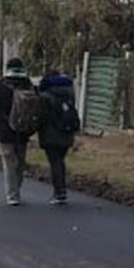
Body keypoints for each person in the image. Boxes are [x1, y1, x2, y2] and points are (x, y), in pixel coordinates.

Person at [0, 57, 38, 206]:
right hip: (23, 131)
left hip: (4, 131)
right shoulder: (28, 85)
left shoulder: (0, 86)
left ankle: (12, 195)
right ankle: (16, 189)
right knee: (20, 163)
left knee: (9, 163)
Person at [37, 69, 81, 206]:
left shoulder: (45, 96)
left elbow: (42, 116)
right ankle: (61, 190)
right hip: (67, 133)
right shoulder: (69, 93)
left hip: (50, 134)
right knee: (60, 162)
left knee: (55, 163)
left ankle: (59, 192)